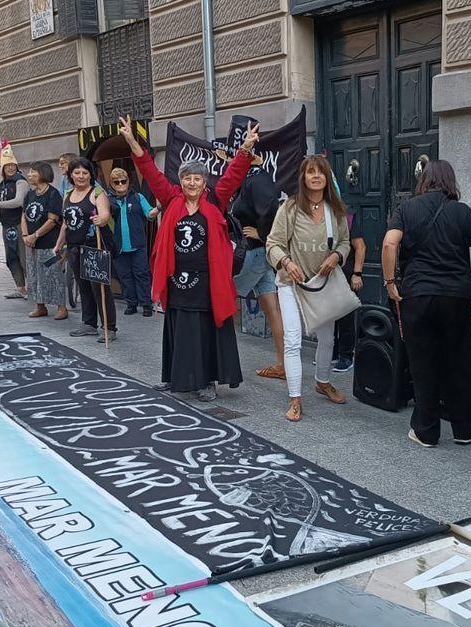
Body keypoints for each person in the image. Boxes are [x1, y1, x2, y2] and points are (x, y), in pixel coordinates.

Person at [120, 115, 250, 402]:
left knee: (206, 331)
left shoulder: (216, 199)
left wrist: (245, 150)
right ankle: (176, 377)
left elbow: (233, 175)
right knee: (177, 328)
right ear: (181, 181)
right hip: (178, 279)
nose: (192, 182)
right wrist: (132, 141)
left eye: (197, 178)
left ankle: (207, 381)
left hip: (208, 280)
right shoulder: (171, 199)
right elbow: (151, 173)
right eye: (187, 178)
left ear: (205, 182)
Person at [383, 159, 471, 447]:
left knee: (422, 362)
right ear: (451, 181)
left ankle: (426, 431)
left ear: (423, 180)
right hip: (456, 295)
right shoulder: (461, 211)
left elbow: (390, 243)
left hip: (417, 294)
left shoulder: (407, 209)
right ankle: (465, 429)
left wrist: (391, 283)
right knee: (460, 361)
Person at [267, 154, 352, 422]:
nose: (316, 176)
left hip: (323, 283)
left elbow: (345, 243)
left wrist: (336, 256)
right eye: (310, 172)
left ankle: (323, 381)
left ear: (327, 178)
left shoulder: (334, 210)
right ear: (303, 177)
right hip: (292, 283)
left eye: (320, 172)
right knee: (293, 340)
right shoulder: (290, 208)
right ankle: (295, 399)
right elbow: (273, 243)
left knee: (327, 338)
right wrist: (285, 261)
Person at [232, 161, 286, 380]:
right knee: (272, 309)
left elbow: (274, 208)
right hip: (258, 255)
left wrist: (262, 233)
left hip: (254, 255)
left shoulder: (256, 178)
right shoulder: (251, 178)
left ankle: (215, 360)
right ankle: (283, 364)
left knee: (223, 300)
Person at [59, 158, 115, 340]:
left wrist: (102, 219)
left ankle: (109, 328)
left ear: (91, 175)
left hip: (94, 246)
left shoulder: (97, 192)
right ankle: (89, 323)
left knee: (99, 287)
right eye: (77, 173)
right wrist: (59, 243)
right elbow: (66, 222)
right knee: (83, 286)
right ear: (71, 175)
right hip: (74, 247)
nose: (81, 176)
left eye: (85, 173)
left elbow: (105, 213)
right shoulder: (67, 194)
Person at [19, 161, 67, 319]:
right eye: (30, 172)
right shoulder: (30, 194)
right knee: (34, 275)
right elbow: (24, 216)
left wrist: (36, 235)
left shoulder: (53, 194)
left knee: (53, 273)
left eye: (34, 172)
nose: (30, 175)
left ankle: (61, 307)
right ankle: (40, 306)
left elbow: (52, 220)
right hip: (31, 244)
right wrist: (26, 236)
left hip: (49, 243)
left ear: (43, 174)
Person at [107, 167, 157, 316]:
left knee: (142, 274)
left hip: (138, 244)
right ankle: (131, 303)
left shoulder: (138, 197)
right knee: (125, 276)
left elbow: (149, 213)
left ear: (128, 181)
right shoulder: (108, 200)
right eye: (117, 182)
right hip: (118, 246)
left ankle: (146, 304)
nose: (121, 184)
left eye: (123, 181)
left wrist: (159, 208)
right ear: (112, 183)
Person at [0, 143, 29, 299]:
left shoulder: (21, 182)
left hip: (20, 225)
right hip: (7, 225)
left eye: (12, 165)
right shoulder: (5, 183)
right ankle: (20, 289)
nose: (10, 168)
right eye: (7, 166)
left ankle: (32, 288)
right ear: (3, 168)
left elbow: (18, 200)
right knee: (11, 257)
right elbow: (5, 191)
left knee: (24, 258)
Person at [331, 185, 365, 373]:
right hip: (329, 275)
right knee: (330, 315)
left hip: (347, 273)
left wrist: (357, 274)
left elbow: (360, 247)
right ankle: (334, 352)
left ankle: (346, 356)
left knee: (345, 315)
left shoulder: (348, 217)